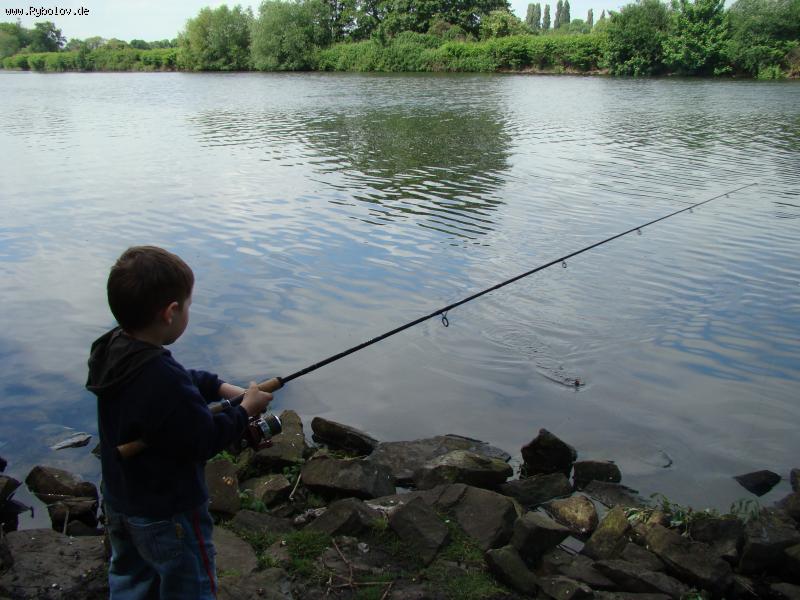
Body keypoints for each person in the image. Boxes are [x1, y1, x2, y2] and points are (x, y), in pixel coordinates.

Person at [86, 245, 272, 599]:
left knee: (130, 578)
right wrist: (245, 410)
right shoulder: (162, 377)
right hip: (170, 512)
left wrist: (218, 387)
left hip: (122, 499)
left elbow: (181, 380)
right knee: (190, 584)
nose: (188, 311)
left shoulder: (112, 350)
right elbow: (204, 437)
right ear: (171, 312)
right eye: (188, 305)